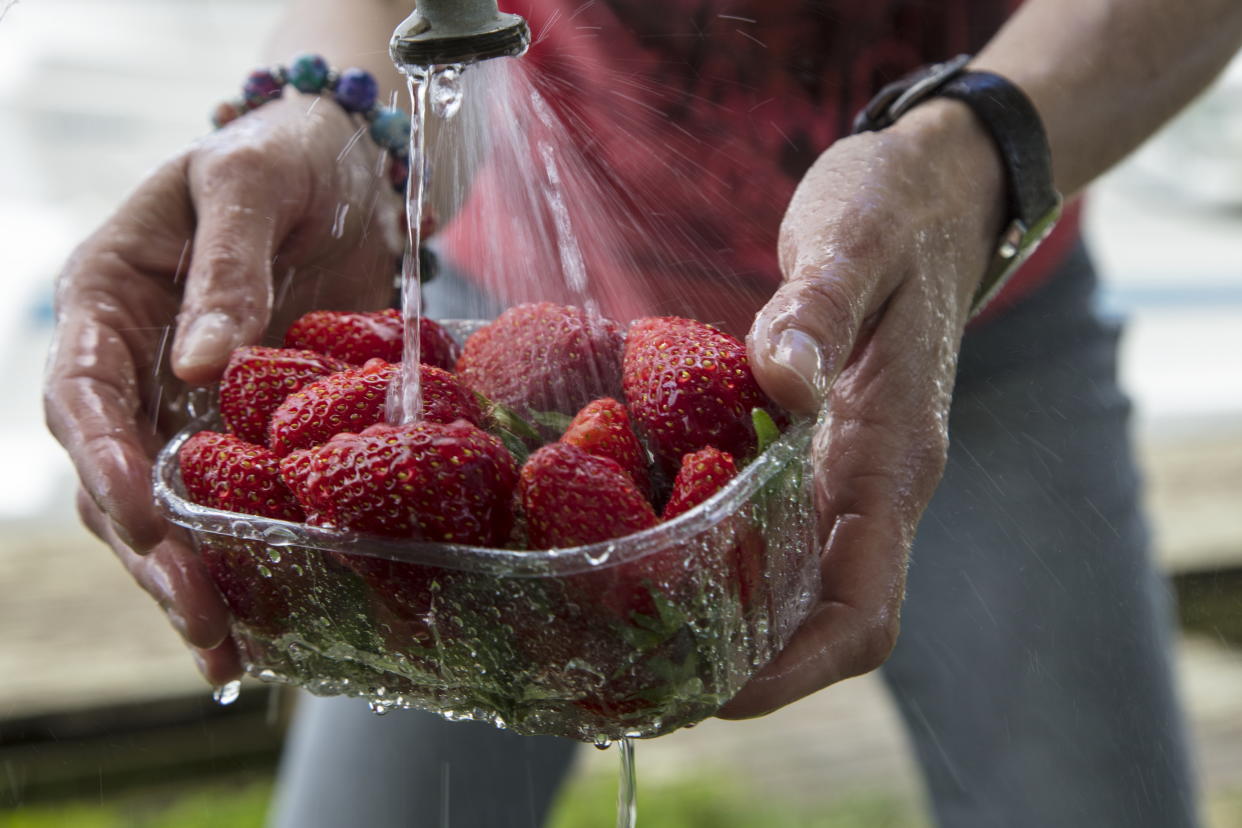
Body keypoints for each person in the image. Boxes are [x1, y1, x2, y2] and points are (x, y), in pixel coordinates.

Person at [43, 0, 1242, 825]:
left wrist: (978, 154)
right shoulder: (449, 423)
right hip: (489, 372)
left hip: (971, 323)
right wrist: (336, 121)